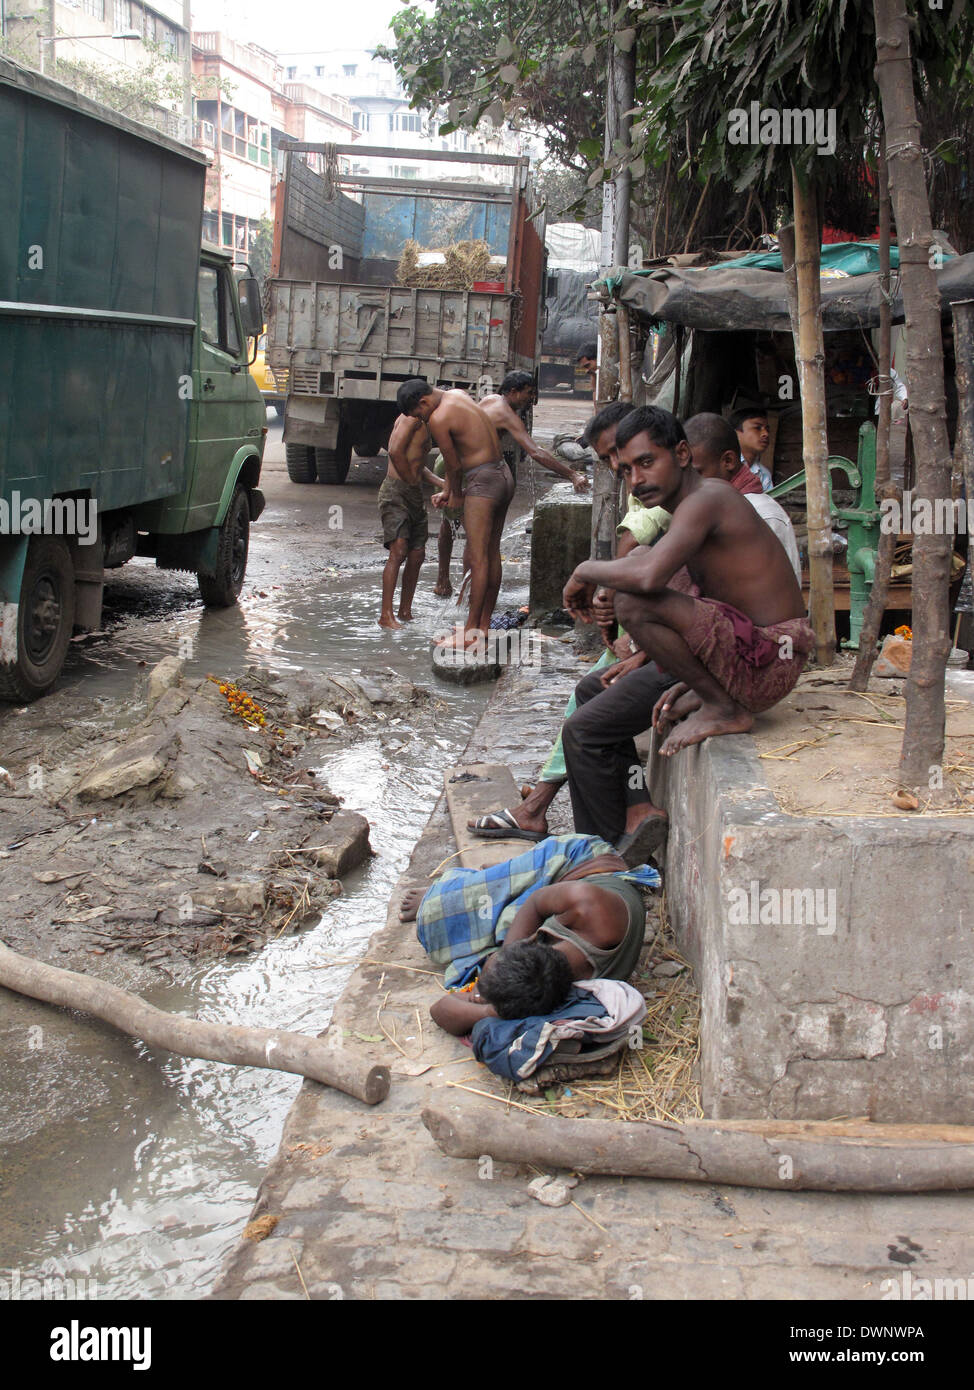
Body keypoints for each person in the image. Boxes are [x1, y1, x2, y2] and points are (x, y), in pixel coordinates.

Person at [467, 403, 673, 852]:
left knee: (587, 720)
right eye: (609, 460)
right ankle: (626, 807)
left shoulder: (672, 495)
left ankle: (569, 830)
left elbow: (638, 547)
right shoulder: (647, 482)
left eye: (620, 454)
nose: (619, 468)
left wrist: (606, 588)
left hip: (675, 639)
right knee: (594, 692)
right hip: (661, 629)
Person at [564, 405, 814, 756]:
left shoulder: (709, 497)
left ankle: (724, 709)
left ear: (682, 454)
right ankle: (710, 697)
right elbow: (648, 567)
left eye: (646, 463)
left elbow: (649, 579)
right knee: (637, 562)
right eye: (626, 471)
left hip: (770, 661)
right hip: (752, 652)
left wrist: (584, 571)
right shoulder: (689, 506)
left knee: (634, 598)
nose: (635, 481)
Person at [397, 833, 653, 1036]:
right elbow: (536, 903)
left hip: (563, 905)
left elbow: (441, 1010)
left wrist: (491, 1011)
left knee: (488, 926)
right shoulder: (588, 905)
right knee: (451, 913)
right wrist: (502, 958)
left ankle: (499, 877)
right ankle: (505, 874)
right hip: (584, 862)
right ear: (532, 940)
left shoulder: (539, 993)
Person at [397, 378, 512, 645]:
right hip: (502, 475)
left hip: (482, 482)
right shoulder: (458, 395)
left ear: (424, 402)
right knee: (492, 553)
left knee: (479, 557)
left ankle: (472, 632)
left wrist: (456, 495)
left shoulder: (438, 417)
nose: (422, 420)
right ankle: (482, 628)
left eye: (419, 415)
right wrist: (448, 491)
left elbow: (454, 465)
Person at [684, 413, 802, 582]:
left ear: (729, 461)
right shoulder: (708, 510)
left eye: (698, 473)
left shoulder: (763, 515)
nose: (690, 483)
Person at [377, 413, 441, 630]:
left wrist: (442, 483)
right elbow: (394, 452)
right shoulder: (411, 419)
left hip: (414, 493)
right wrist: (407, 479)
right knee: (399, 550)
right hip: (396, 491)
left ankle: (405, 611)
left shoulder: (427, 425)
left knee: (417, 554)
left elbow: (417, 464)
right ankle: (386, 615)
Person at [478, 372, 589, 494]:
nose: (532, 398)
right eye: (529, 393)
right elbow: (535, 452)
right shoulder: (507, 415)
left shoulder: (491, 399)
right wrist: (573, 475)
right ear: (514, 392)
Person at [731, 405, 773, 492]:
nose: (766, 434)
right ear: (735, 434)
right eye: (757, 428)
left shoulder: (764, 474)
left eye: (767, 429)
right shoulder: (723, 465)